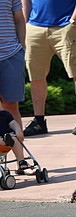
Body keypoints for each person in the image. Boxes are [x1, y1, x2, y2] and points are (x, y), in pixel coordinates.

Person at [22, 0, 76, 136]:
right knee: (35, 76)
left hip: (65, 26)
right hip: (35, 28)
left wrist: (74, 21)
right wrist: (26, 25)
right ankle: (39, 121)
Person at [0, 0, 28, 172]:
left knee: (11, 106)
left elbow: (19, 18)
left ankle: (21, 161)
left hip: (11, 53)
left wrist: (22, 46)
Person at [0, 98, 31, 174]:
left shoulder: (5, 114)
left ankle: (21, 161)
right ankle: (6, 140)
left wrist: (18, 130)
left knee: (15, 138)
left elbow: (13, 123)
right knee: (8, 138)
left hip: (8, 139)